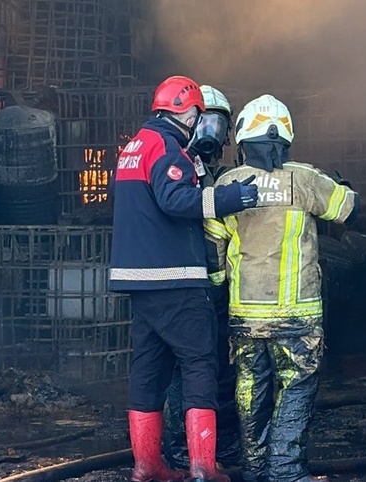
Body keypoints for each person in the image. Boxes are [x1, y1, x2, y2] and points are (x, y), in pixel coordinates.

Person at [109, 75, 258, 482]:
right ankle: (203, 469)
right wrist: (230, 198)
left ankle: (146, 466)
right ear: (188, 112)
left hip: (139, 282)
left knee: (147, 372)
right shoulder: (167, 147)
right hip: (175, 278)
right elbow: (174, 200)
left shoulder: (133, 147)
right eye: (199, 117)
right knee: (199, 365)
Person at [208, 94, 360, 482]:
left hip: (245, 315)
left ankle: (257, 470)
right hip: (298, 315)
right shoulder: (305, 179)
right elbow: (348, 209)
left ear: (242, 139)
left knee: (249, 388)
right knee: (296, 386)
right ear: (286, 138)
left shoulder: (227, 184)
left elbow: (213, 247)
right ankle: (287, 471)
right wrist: (341, 183)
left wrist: (216, 290)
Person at [163, 85, 242, 469]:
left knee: (220, 364)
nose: (209, 131)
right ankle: (179, 447)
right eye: (203, 120)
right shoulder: (173, 164)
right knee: (187, 365)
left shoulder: (222, 176)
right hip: (186, 283)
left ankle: (217, 441)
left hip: (219, 286)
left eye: (217, 123)